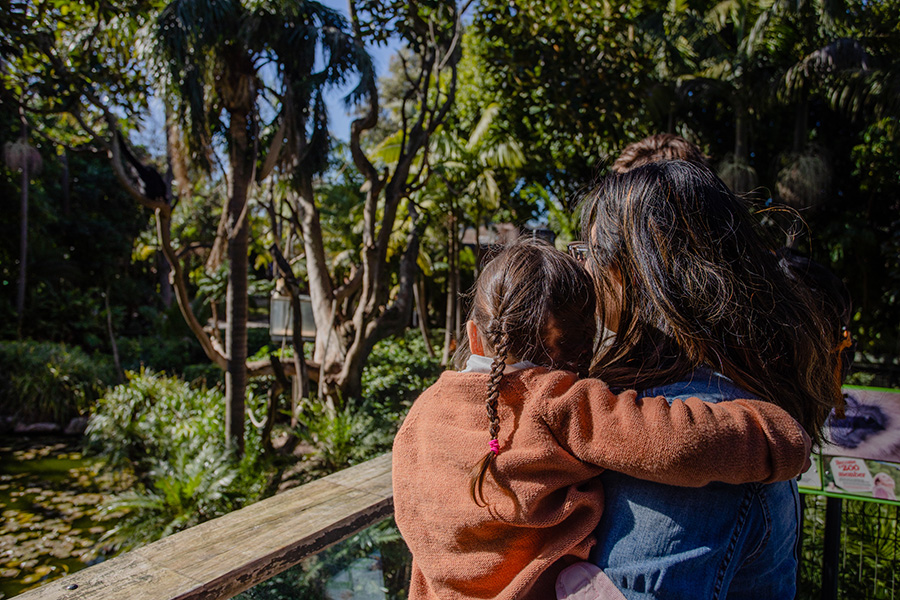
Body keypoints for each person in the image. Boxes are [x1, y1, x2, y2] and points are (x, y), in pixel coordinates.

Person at [392, 238, 813, 600]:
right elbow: (675, 441)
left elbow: (415, 518)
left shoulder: (422, 413)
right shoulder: (560, 401)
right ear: (584, 351)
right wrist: (774, 434)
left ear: (471, 334)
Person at [581, 160, 844, 599]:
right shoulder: (728, 404)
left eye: (590, 254)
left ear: (635, 269)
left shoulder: (688, 439)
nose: (585, 272)